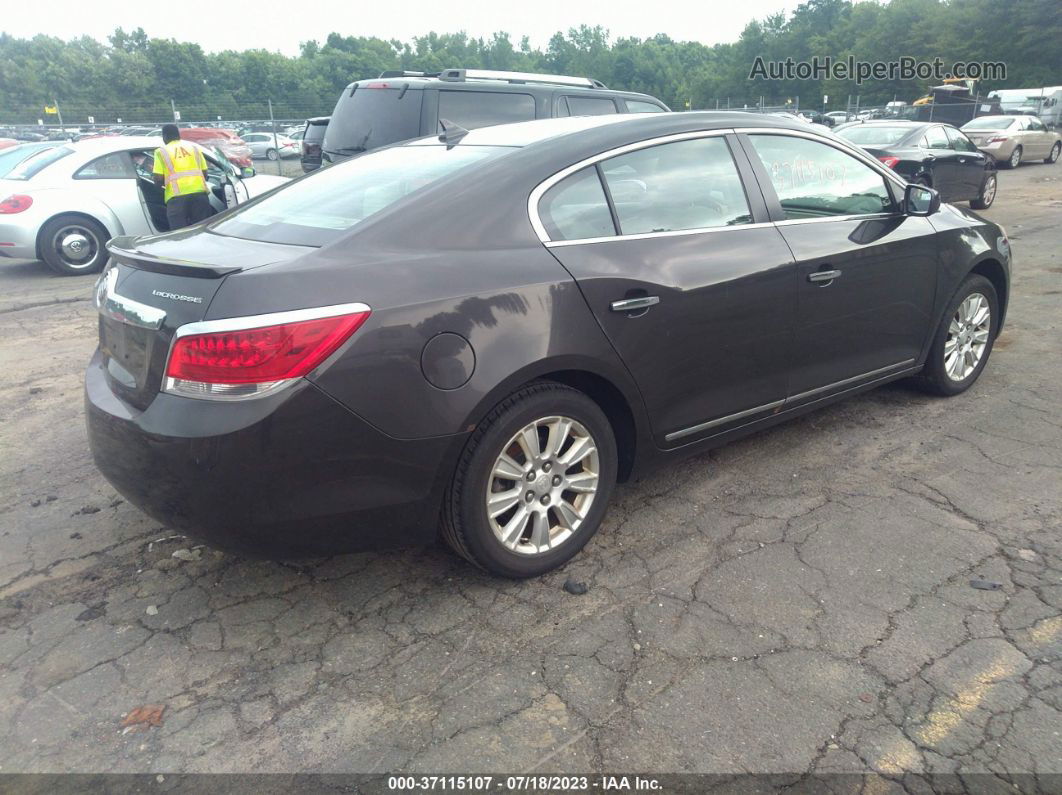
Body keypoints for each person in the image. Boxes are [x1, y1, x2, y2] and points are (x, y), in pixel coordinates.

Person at [152, 124, 214, 230]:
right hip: (200, 195)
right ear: (178, 135)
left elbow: (158, 178)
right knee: (202, 230)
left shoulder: (161, 152)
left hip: (176, 198)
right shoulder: (194, 148)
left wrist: (159, 189)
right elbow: (204, 172)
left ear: (164, 137)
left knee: (179, 234)